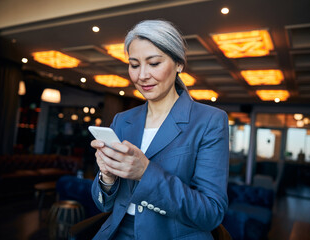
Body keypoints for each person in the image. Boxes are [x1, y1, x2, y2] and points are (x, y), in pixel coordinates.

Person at [91, 19, 229, 240]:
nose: (142, 75)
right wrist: (107, 177)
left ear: (179, 64)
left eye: (154, 63)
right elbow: (103, 204)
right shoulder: (122, 120)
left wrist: (145, 173)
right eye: (134, 65)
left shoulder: (210, 121)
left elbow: (211, 213)